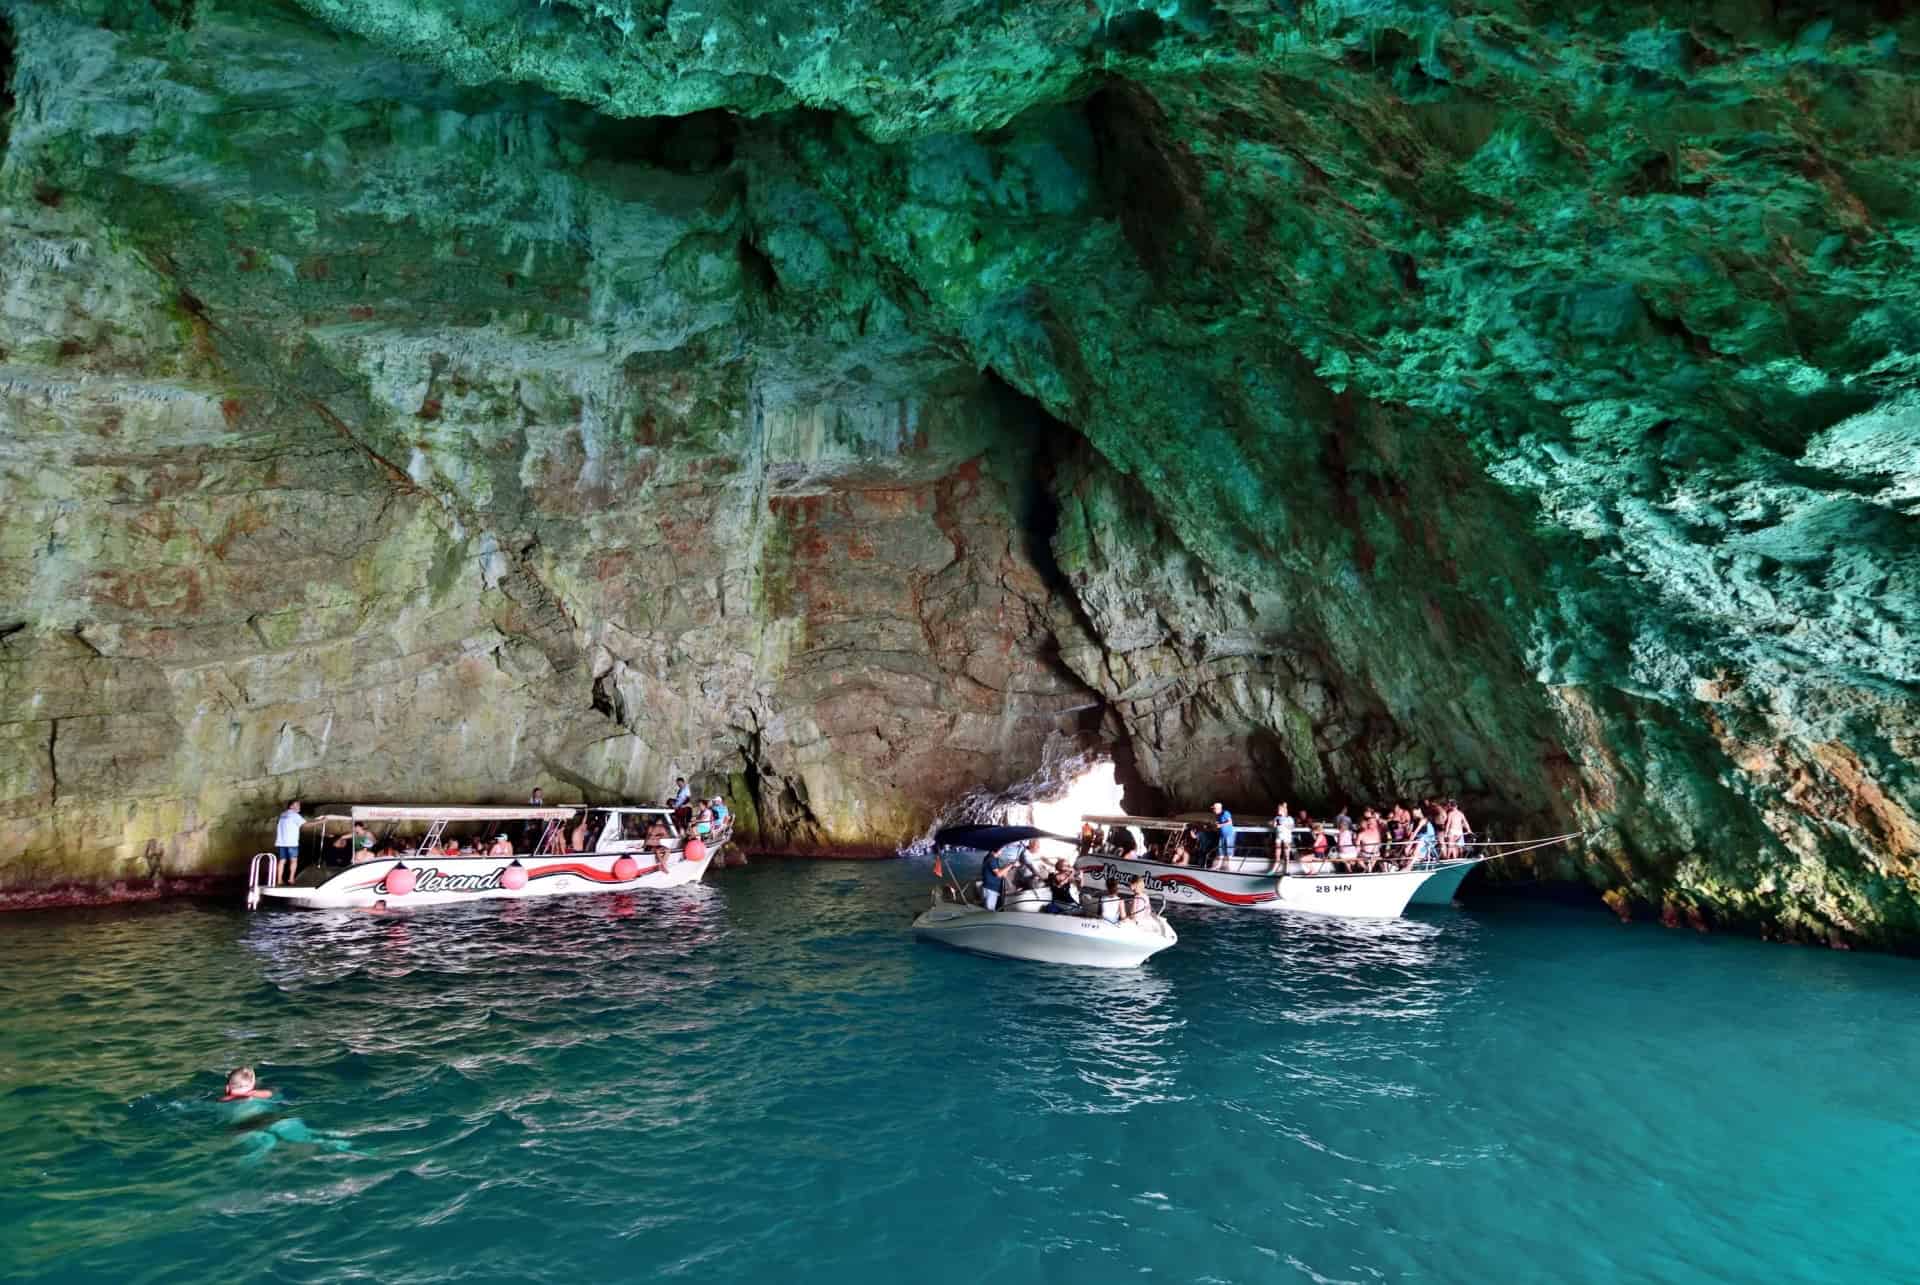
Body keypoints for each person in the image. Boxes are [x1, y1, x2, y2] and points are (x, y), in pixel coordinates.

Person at [980, 844, 1019, 910]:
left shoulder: (994, 858)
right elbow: (999, 874)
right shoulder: (991, 859)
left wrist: (1011, 866)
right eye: (1001, 849)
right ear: (996, 850)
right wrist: (1011, 865)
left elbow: (1002, 873)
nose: (1002, 851)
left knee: (992, 910)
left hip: (994, 889)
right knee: (989, 912)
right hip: (990, 889)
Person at [273, 801, 303, 885]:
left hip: (281, 842)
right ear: (291, 806)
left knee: (282, 861)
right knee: (293, 860)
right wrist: (320, 822)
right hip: (291, 843)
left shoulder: (282, 814)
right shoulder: (295, 815)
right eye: (297, 805)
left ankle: (279, 880)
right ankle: (291, 879)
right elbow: (305, 825)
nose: (299, 807)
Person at [1210, 802, 1236, 867]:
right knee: (1220, 850)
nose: (1213, 810)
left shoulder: (1225, 813)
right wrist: (1216, 825)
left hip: (1228, 835)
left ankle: (1227, 866)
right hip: (1222, 835)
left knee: (1228, 850)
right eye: (1213, 809)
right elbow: (1218, 824)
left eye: (1214, 809)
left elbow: (1230, 822)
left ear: (1219, 808)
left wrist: (1220, 825)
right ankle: (1218, 866)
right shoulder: (1217, 815)